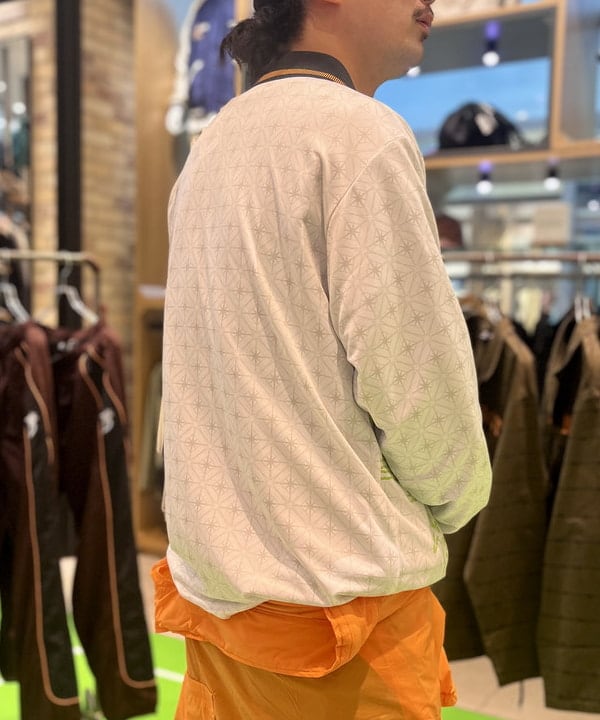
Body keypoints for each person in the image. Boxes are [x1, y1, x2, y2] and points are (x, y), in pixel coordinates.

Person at [154, 1, 492, 718]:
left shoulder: (213, 145)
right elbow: (420, 388)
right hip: (344, 619)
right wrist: (461, 497)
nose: (427, 2)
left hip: (225, 604)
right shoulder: (357, 134)